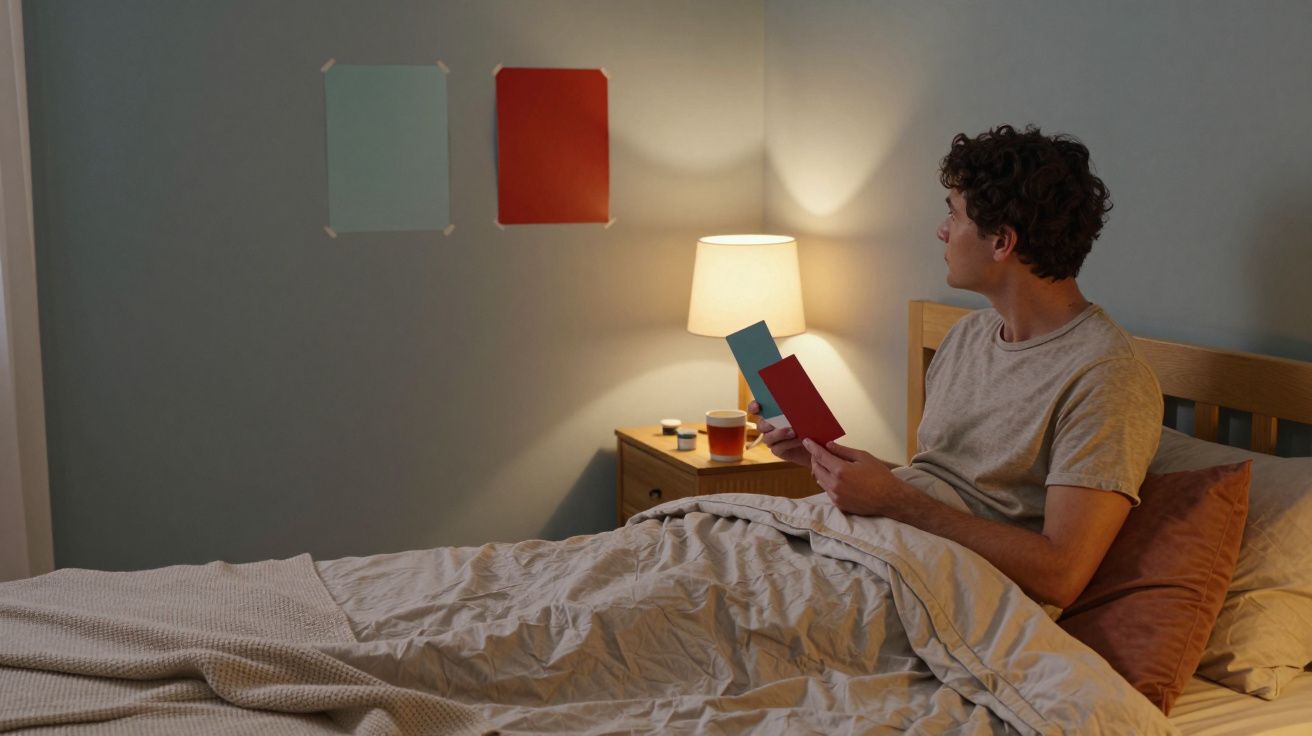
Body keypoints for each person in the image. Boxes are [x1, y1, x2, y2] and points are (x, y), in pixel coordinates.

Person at [753, 125, 1162, 609]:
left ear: (1001, 242)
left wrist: (894, 500)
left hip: (949, 592)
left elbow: (1060, 573)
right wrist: (827, 461)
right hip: (886, 548)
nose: (941, 230)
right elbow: (944, 488)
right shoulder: (966, 335)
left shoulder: (1107, 376)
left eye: (954, 213)